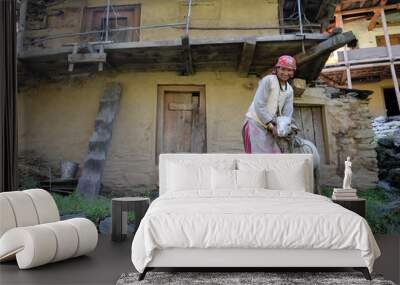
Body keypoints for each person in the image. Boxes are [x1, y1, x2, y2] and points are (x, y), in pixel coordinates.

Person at [242, 55, 296, 153]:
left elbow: (287, 114)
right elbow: (259, 105)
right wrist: (271, 126)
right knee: (258, 159)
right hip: (256, 123)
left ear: (293, 72)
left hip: (271, 128)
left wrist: (286, 127)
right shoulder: (269, 80)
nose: (285, 73)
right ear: (277, 68)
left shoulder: (290, 90)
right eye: (283, 69)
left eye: (289, 70)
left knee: (275, 157)